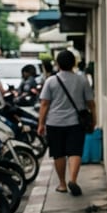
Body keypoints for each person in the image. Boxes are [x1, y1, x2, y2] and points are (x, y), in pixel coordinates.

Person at [37, 50, 95, 196]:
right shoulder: (81, 80)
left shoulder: (51, 81)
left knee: (59, 154)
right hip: (76, 122)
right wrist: (94, 120)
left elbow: (44, 104)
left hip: (54, 123)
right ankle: (73, 180)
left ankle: (62, 184)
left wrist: (41, 124)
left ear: (58, 64)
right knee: (75, 152)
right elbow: (91, 103)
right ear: (73, 63)